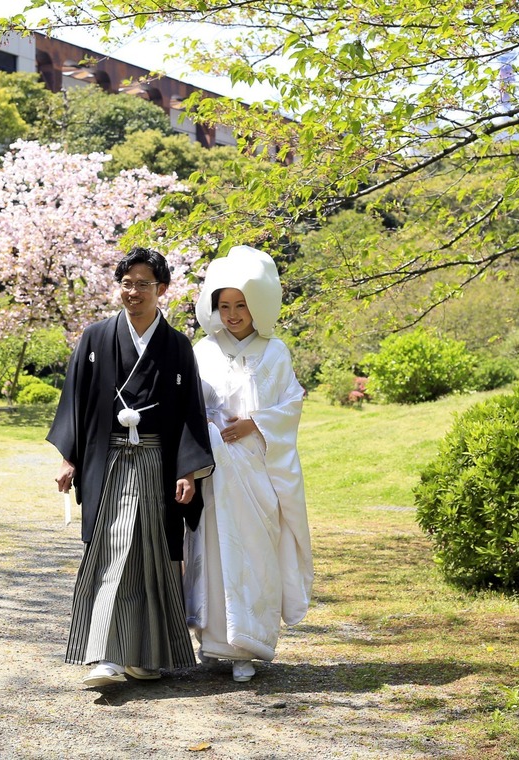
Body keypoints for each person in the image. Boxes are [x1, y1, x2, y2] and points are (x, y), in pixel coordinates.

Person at [48, 247, 215, 687]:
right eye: (127, 282)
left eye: (143, 283)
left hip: (158, 463)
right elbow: (76, 402)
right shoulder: (96, 337)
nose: (133, 291)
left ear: (162, 290)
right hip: (110, 460)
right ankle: (105, 655)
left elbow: (189, 413)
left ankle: (147, 657)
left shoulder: (177, 345)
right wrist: (70, 458)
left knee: (154, 557)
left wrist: (187, 470)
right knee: (112, 550)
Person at [184, 245, 314, 683]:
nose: (233, 313)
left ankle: (249, 646)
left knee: (255, 554)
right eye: (225, 306)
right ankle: (217, 643)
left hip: (257, 471)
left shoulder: (275, 351)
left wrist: (255, 423)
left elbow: (292, 403)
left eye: (241, 305)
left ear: (256, 306)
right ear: (214, 309)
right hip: (216, 472)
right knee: (215, 553)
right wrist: (208, 426)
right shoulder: (202, 351)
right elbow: (189, 406)